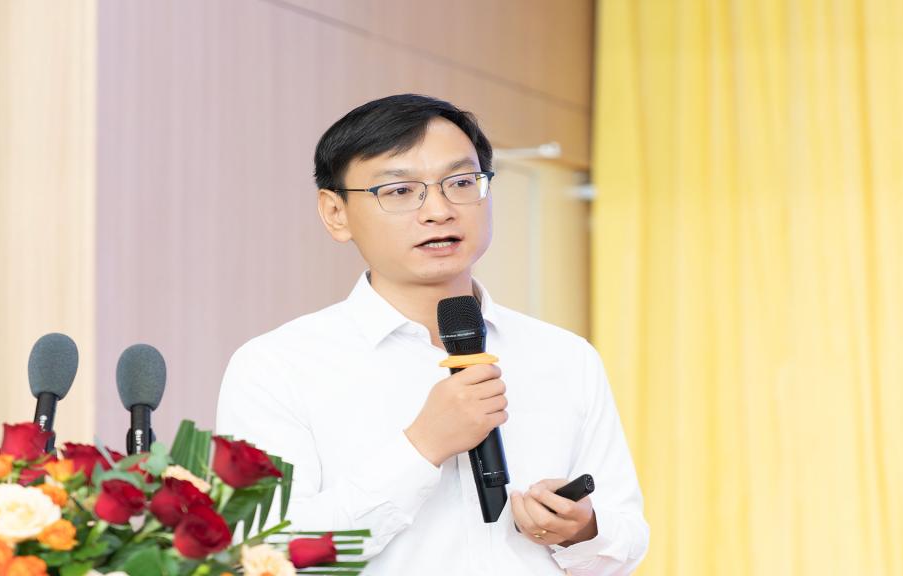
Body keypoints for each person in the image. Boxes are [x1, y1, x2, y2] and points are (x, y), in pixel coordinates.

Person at [215, 94, 649, 575]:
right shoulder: (277, 366)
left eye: (461, 182)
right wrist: (422, 448)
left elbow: (626, 540)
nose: (439, 211)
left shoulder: (564, 356)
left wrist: (583, 530)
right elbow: (266, 555)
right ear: (336, 213)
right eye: (400, 190)